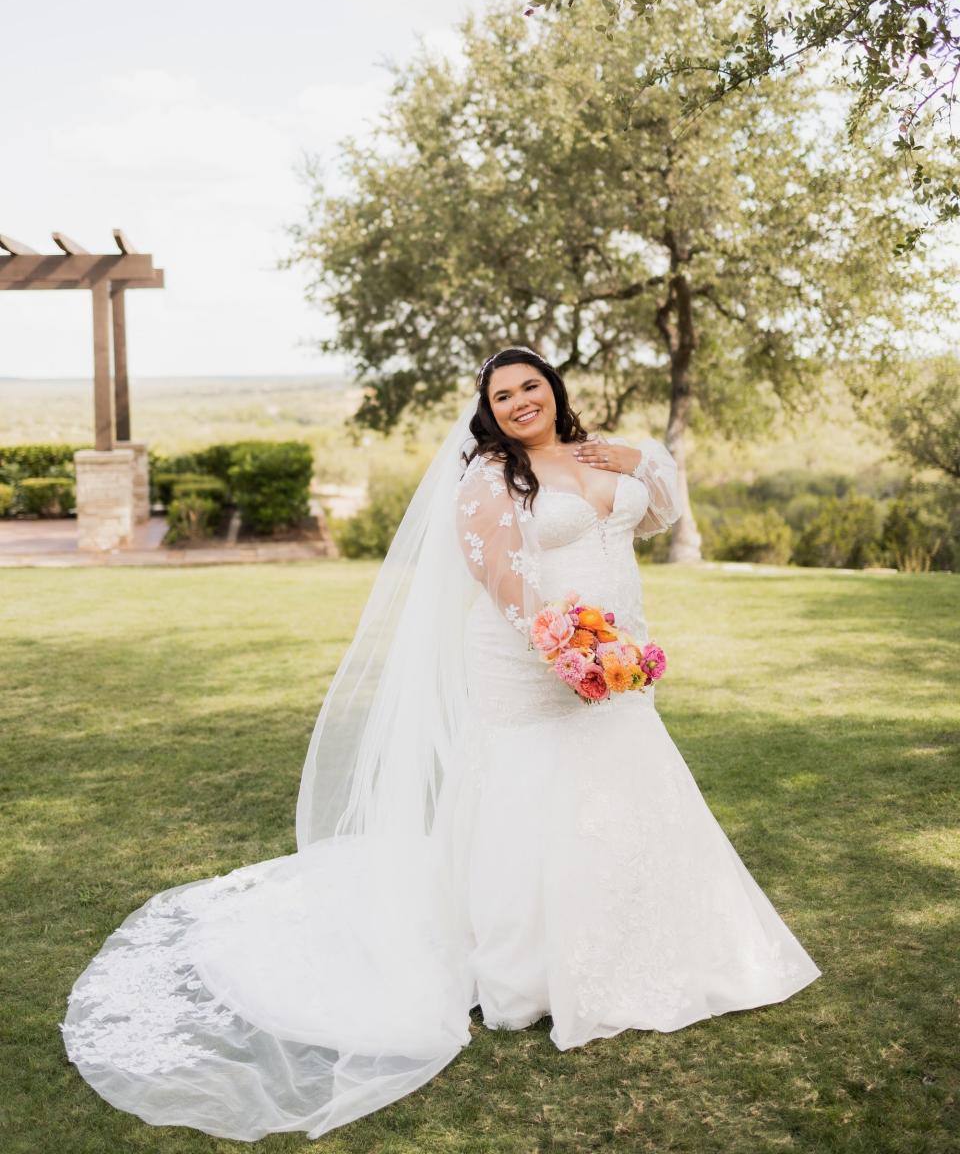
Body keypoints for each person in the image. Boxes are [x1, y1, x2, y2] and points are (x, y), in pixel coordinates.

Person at [61, 346, 820, 1141]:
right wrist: (560, 646)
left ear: (555, 391)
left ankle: (654, 937)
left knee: (627, 779)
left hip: (621, 657)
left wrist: (641, 461)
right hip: (531, 656)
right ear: (487, 410)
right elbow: (497, 572)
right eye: (504, 394)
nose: (522, 401)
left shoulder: (599, 455)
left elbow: (658, 513)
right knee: (531, 788)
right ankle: (530, 966)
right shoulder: (489, 478)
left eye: (532, 386)